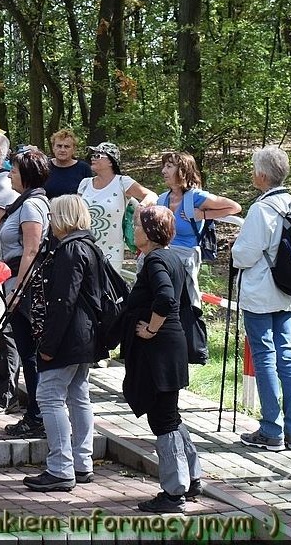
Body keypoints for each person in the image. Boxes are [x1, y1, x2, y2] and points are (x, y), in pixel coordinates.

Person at [120, 205, 202, 512]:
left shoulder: (156, 260)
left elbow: (166, 298)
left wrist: (151, 329)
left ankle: (173, 492)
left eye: (138, 226)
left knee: (163, 420)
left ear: (150, 231)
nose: (134, 231)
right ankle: (192, 478)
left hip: (160, 349)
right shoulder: (171, 256)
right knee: (170, 415)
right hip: (171, 347)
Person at [230, 145, 291, 452]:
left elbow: (245, 254)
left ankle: (271, 430)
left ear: (262, 175)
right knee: (286, 355)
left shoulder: (261, 209)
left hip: (261, 293)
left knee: (264, 357)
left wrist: (234, 250)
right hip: (288, 292)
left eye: (254, 169)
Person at [22, 195, 99, 492]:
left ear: (64, 217)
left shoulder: (70, 250)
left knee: (49, 395)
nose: (50, 222)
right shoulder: (89, 245)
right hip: (85, 335)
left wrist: (49, 344)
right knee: (79, 395)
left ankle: (60, 467)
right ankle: (81, 462)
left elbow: (63, 301)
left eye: (52, 216)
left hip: (68, 336)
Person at [0, 147, 51, 440]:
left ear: (27, 175)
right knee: (28, 351)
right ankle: (37, 412)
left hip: (25, 286)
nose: (9, 175)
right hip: (18, 282)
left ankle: (37, 415)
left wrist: (17, 291)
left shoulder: (31, 206)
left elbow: (31, 249)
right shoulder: (28, 202)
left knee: (29, 353)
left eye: (15, 171)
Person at [156, 151, 241, 301]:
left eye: (169, 166)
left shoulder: (195, 197)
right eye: (164, 166)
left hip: (185, 258)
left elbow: (234, 207)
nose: (163, 171)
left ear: (182, 171)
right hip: (163, 256)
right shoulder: (162, 199)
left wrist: (203, 215)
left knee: (183, 302)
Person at [77, 142, 156, 271]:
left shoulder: (122, 182)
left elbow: (152, 195)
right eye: (92, 155)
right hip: (84, 248)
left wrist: (140, 208)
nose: (93, 158)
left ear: (111, 161)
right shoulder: (85, 184)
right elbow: (75, 212)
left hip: (112, 251)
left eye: (98, 155)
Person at [44, 129, 92, 199]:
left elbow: (89, 195)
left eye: (67, 147)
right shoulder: (44, 167)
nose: (62, 150)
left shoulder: (83, 168)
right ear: (53, 147)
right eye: (59, 146)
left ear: (74, 149)